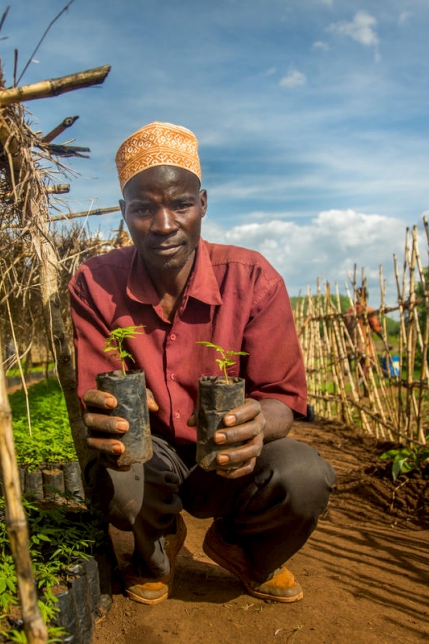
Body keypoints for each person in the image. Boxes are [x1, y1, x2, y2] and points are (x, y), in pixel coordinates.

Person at [68, 122, 336, 606]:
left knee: (303, 474)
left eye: (181, 205)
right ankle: (156, 550)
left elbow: (282, 397)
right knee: (119, 467)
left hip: (231, 458)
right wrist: (109, 409)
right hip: (154, 456)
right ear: (125, 212)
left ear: (203, 204)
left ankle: (246, 550)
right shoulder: (95, 283)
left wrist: (257, 421)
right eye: (144, 208)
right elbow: (95, 391)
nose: (164, 224)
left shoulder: (253, 279)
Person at [344, 286, 385, 394]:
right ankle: (358, 388)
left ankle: (365, 390)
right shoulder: (367, 310)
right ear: (365, 297)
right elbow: (376, 327)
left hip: (352, 345)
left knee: (361, 368)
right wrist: (385, 340)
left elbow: (345, 330)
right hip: (365, 346)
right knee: (367, 367)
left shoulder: (349, 311)